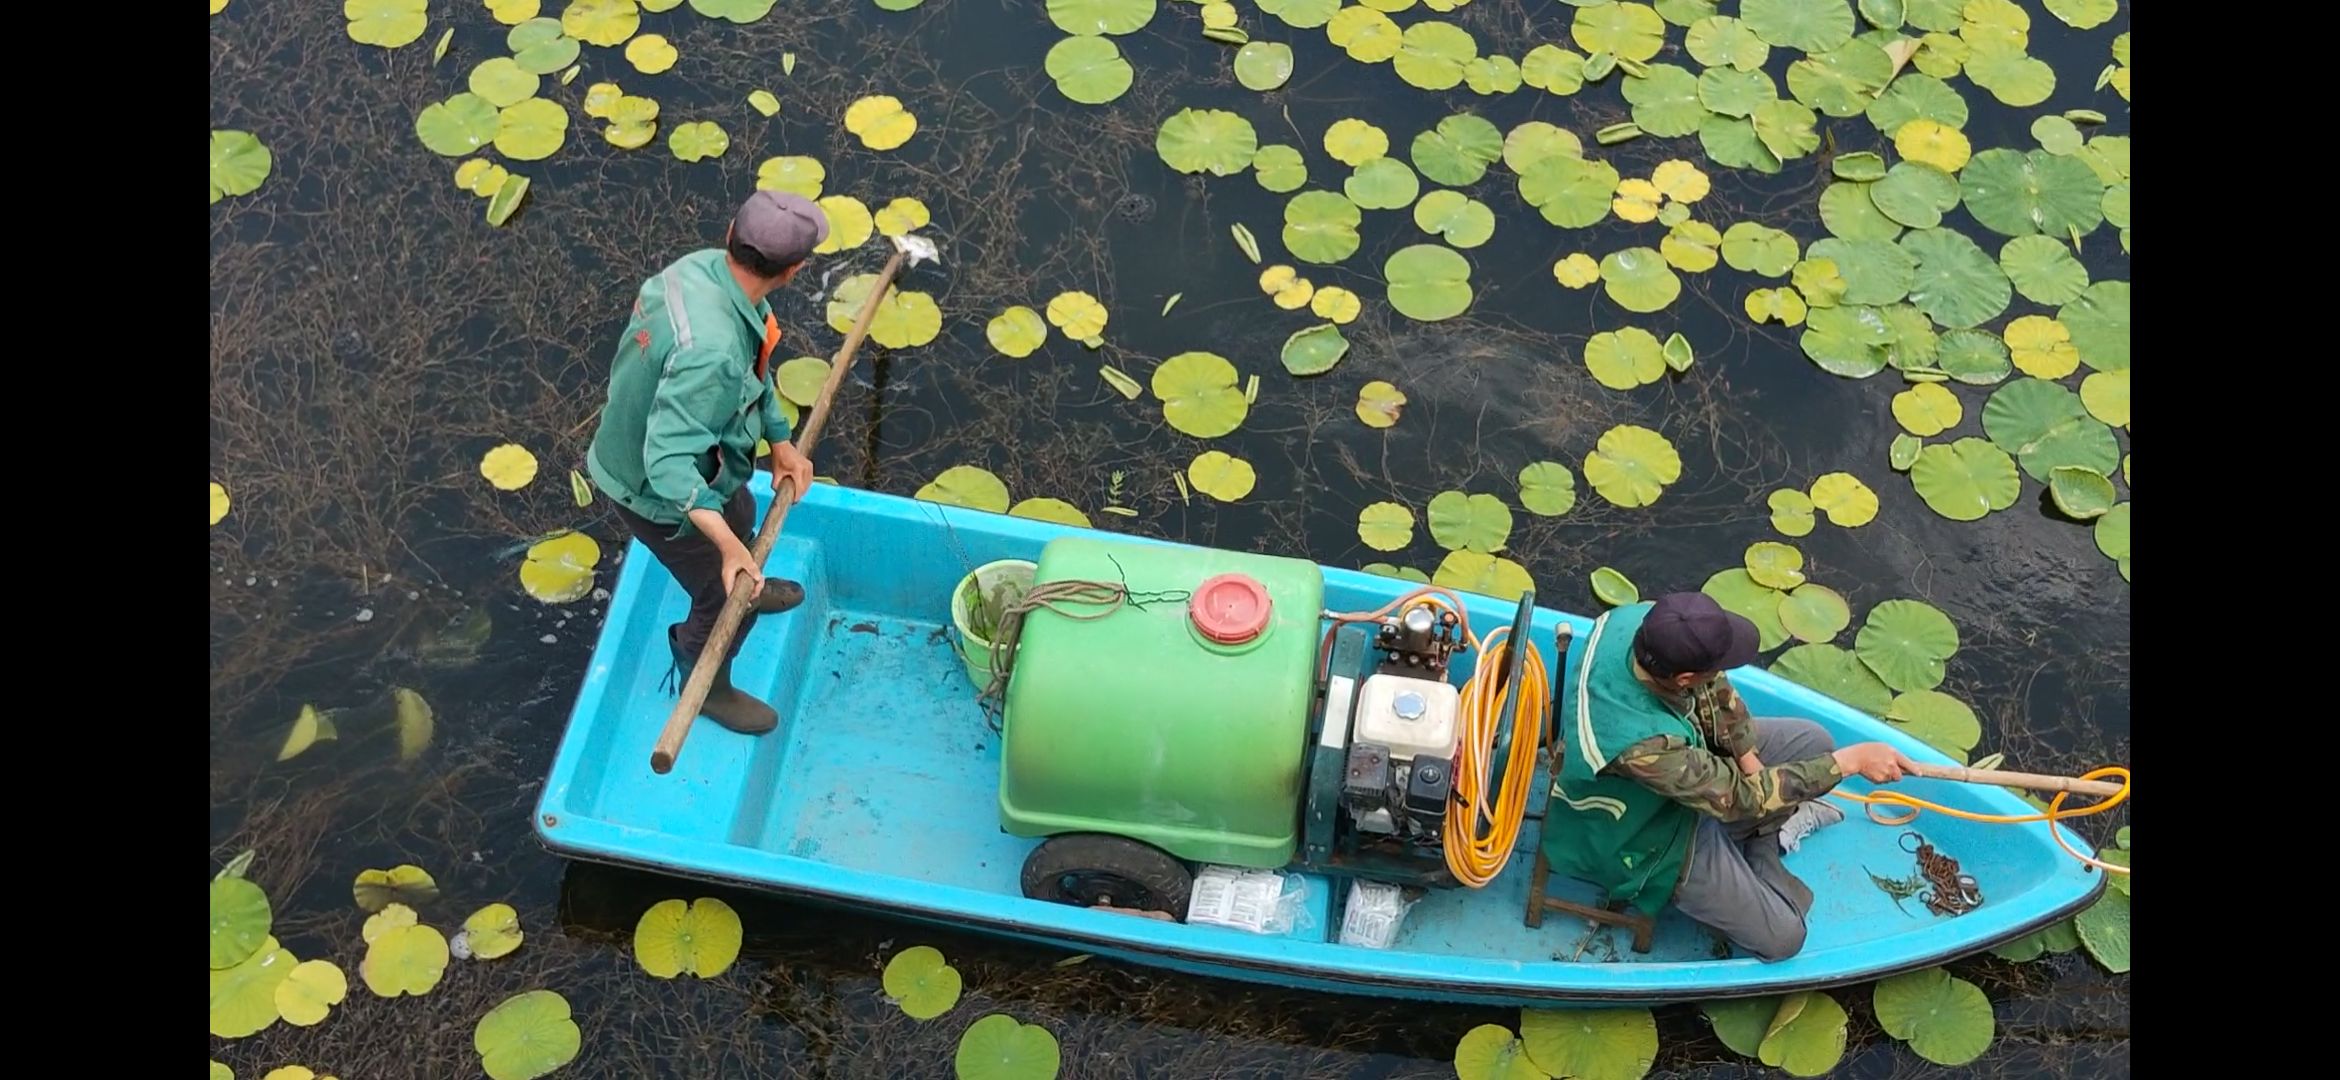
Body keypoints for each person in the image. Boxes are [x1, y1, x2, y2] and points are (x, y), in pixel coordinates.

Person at [1543, 592, 1919, 961]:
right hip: (1647, 830)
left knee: (1815, 742)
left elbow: (1715, 688)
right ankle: (1766, 846)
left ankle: (1768, 826)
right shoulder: (1642, 745)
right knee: (1784, 938)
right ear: (1683, 677)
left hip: (1688, 767)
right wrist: (1847, 764)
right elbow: (1739, 798)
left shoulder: (1643, 622)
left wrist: (1747, 754)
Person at [583, 190, 828, 736]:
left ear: (729, 236)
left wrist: (781, 442)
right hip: (653, 489)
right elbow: (668, 464)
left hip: (707, 453)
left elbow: (751, 364)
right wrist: (728, 549)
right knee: (721, 595)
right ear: (794, 271)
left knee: (738, 511)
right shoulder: (710, 350)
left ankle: (750, 586)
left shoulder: (702, 269)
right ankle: (708, 680)